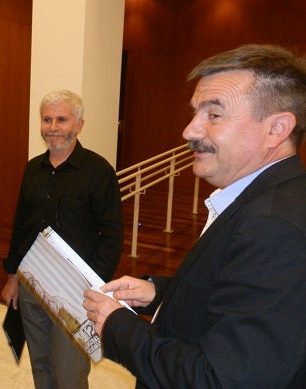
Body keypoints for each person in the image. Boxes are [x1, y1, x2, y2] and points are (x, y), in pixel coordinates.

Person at [83, 44, 306, 388]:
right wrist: (158, 293)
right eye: (195, 113)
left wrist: (117, 326)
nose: (190, 131)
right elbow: (235, 296)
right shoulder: (262, 200)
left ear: (276, 129)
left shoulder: (274, 227)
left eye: (213, 115)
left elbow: (217, 379)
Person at [2, 90, 123, 389]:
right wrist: (12, 276)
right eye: (47, 120)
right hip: (32, 285)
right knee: (41, 366)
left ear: (79, 125)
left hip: (75, 292)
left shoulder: (98, 172)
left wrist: (91, 287)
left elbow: (112, 236)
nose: (53, 127)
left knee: (70, 374)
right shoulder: (33, 169)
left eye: (61, 119)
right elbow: (21, 226)